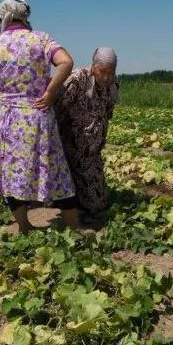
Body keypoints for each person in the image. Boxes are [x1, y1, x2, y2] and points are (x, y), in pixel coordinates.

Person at [0, 0, 78, 233]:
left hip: (7, 118)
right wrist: (49, 92)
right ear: (25, 17)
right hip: (37, 113)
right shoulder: (42, 38)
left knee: (12, 172)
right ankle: (73, 226)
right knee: (53, 167)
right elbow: (66, 62)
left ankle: (24, 226)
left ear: (3, 18)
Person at [54, 48, 119, 226]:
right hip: (73, 142)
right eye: (102, 72)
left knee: (100, 197)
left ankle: (84, 205)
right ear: (93, 67)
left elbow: (109, 110)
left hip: (93, 146)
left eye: (110, 72)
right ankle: (79, 211)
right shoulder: (77, 79)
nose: (106, 77)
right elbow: (58, 107)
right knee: (89, 195)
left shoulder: (113, 83)